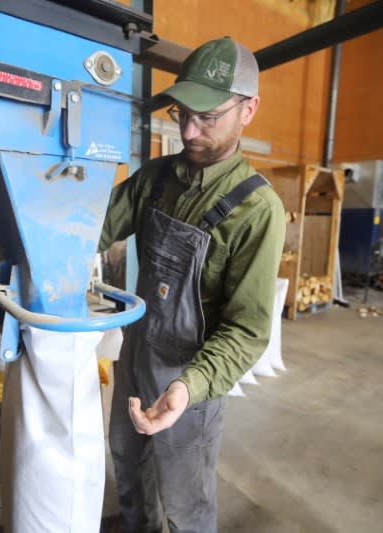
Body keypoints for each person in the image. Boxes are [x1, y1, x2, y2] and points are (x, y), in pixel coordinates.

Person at [99, 37, 286, 532]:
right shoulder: (156, 178)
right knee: (127, 470)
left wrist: (188, 387)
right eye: (183, 113)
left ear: (249, 111)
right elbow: (92, 227)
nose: (187, 129)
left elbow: (247, 330)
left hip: (189, 377)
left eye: (207, 118)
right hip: (135, 354)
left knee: (186, 503)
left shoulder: (256, 209)